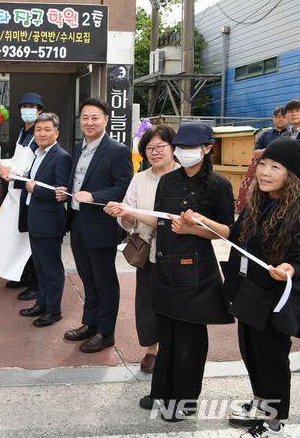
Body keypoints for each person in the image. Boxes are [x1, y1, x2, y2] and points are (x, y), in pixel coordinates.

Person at [108, 122, 235, 422]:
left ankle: (185, 401)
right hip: (164, 266)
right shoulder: (168, 181)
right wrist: (129, 212)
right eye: (181, 148)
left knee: (190, 338)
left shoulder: (218, 185)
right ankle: (161, 392)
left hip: (195, 273)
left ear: (207, 149)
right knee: (166, 333)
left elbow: (227, 232)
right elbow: (160, 220)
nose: (185, 153)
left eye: (191, 148)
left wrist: (198, 226)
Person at [181, 137, 300, 438]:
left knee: (271, 361)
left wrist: (289, 269)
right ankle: (261, 401)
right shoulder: (259, 201)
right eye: (263, 164)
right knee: (251, 354)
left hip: (273, 299)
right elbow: (234, 235)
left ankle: (273, 422)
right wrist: (201, 222)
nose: (265, 172)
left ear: (292, 175)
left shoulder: (296, 212)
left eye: (276, 167)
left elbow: (298, 259)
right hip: (247, 292)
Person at [56, 97, 132, 353]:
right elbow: (77, 180)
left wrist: (94, 196)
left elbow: (124, 186)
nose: (89, 122)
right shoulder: (79, 147)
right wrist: (65, 190)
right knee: (88, 278)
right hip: (77, 221)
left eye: (95, 118)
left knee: (104, 280)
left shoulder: (117, 150)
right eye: (85, 117)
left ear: (106, 120)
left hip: (101, 225)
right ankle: (90, 323)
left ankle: (106, 332)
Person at [104, 124, 178, 373]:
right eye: (149, 148)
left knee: (175, 303)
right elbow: (128, 218)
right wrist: (121, 214)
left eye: (160, 147)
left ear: (173, 148)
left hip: (178, 253)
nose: (155, 153)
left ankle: (173, 348)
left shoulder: (184, 177)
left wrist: (131, 212)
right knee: (147, 303)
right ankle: (151, 350)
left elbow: (171, 219)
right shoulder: (140, 179)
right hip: (147, 251)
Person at [0, 92, 42, 301]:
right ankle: (20, 275)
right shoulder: (21, 132)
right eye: (24, 106)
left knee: (28, 241)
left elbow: (32, 166)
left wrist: (10, 171)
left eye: (32, 107)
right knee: (10, 236)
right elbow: (16, 159)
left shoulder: (38, 134)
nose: (27, 110)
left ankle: (35, 283)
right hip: (14, 193)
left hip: (27, 193)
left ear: (39, 110)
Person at [15, 113, 72, 327]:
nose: (42, 133)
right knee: (40, 266)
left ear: (56, 132)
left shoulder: (61, 156)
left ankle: (54, 310)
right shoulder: (37, 154)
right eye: (38, 130)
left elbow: (61, 192)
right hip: (35, 218)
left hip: (49, 221)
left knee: (52, 268)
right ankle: (41, 303)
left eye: (47, 129)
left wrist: (34, 188)